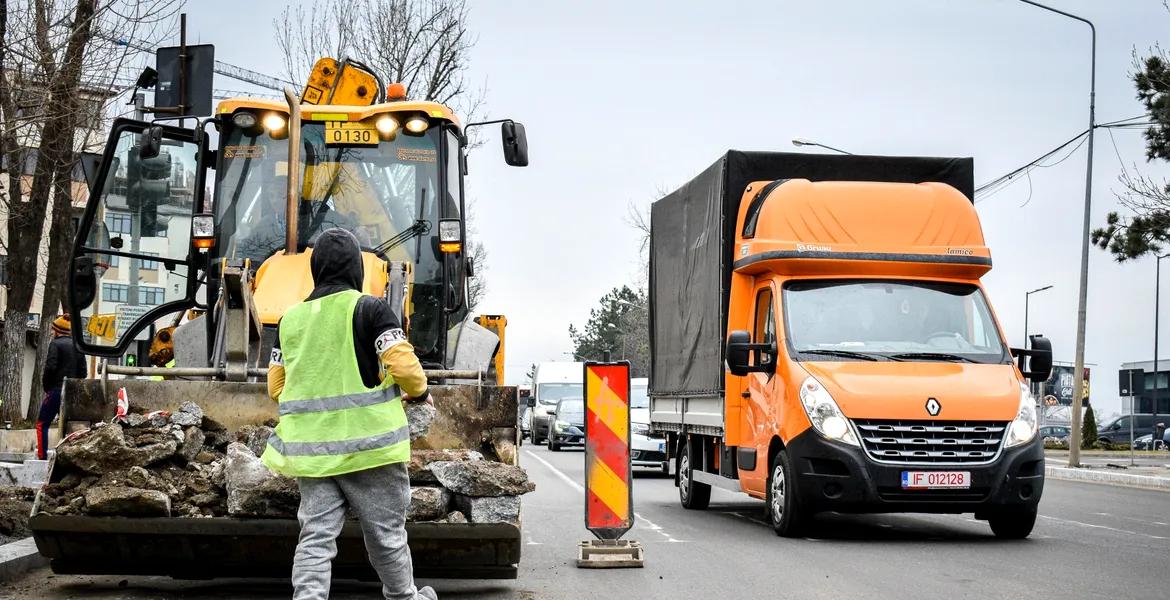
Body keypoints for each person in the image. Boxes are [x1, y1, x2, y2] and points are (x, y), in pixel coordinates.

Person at [261, 227, 437, 600]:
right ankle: (405, 598)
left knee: (315, 538)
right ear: (357, 268)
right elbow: (406, 370)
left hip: (314, 453)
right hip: (369, 448)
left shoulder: (289, 320)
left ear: (316, 270)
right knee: (386, 536)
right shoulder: (371, 308)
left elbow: (277, 388)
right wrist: (418, 393)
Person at [38, 314, 86, 460]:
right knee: (68, 426)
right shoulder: (78, 346)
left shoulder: (55, 344)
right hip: (72, 393)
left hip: (56, 390)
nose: (52, 333)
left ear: (57, 330)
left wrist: (47, 386)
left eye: (53, 330)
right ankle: (67, 457)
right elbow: (83, 372)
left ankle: (42, 458)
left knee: (42, 424)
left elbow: (50, 367)